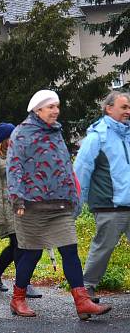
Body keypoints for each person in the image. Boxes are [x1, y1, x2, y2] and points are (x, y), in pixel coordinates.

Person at [7, 89, 111, 319]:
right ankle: (18, 299)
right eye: (51, 106)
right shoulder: (22, 133)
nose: (56, 111)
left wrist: (75, 195)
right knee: (31, 255)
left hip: (60, 205)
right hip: (32, 206)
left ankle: (82, 302)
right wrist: (17, 198)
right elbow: (14, 167)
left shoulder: (56, 132)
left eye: (57, 106)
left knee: (70, 250)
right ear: (38, 109)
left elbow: (65, 166)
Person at [75, 91, 130, 303]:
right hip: (109, 205)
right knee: (102, 248)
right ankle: (86, 289)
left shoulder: (127, 134)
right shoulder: (97, 136)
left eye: (129, 107)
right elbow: (81, 171)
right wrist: (77, 204)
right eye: (123, 107)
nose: (128, 111)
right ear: (109, 108)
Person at [0, 123, 43, 297]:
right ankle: (24, 284)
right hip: (7, 213)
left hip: (22, 209)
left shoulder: (15, 157)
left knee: (17, 246)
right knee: (21, 247)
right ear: (4, 140)